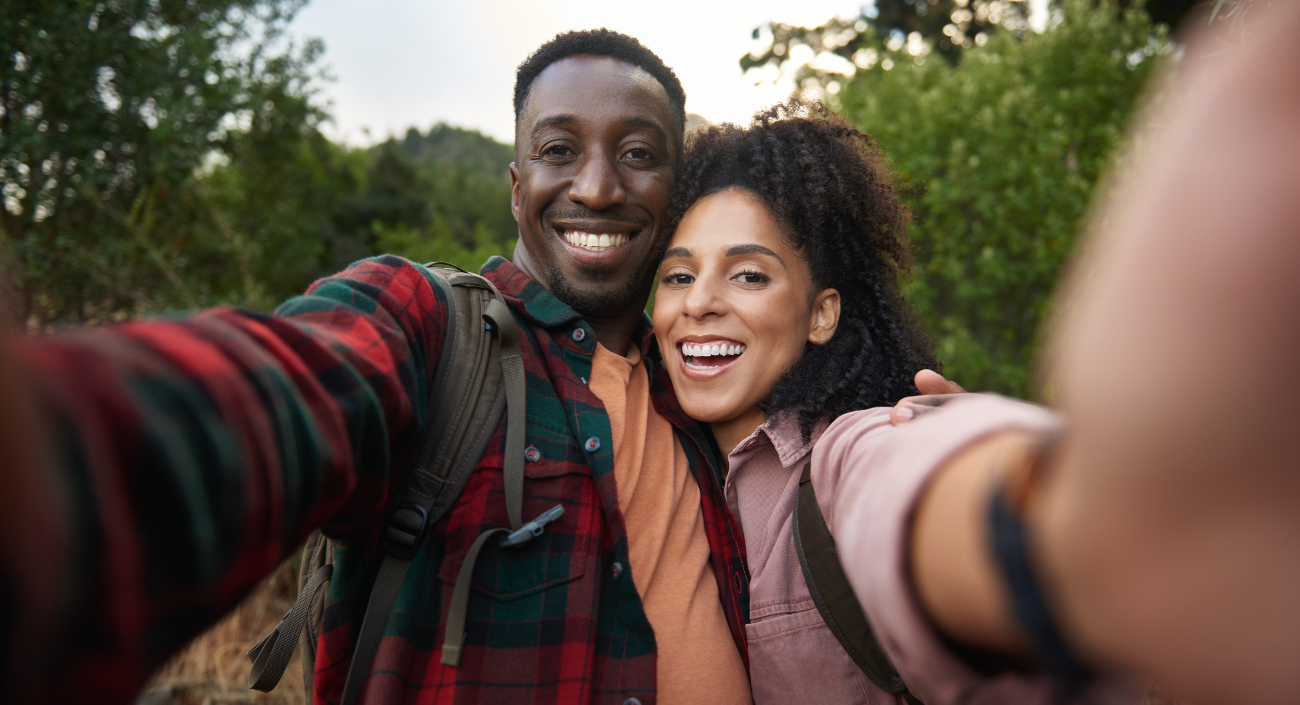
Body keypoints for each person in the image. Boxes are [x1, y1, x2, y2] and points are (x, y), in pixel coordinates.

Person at [0, 28, 831, 705]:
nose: (600, 186)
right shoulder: (429, 328)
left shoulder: (702, 388)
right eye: (559, 149)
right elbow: (280, 394)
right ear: (516, 187)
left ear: (674, 189)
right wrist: (54, 454)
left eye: (639, 153)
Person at [652, 102, 1070, 704]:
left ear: (821, 314)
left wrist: (1001, 481)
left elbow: (912, 486)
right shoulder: (656, 469)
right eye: (679, 276)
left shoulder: (842, 455)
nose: (699, 304)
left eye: (749, 275)